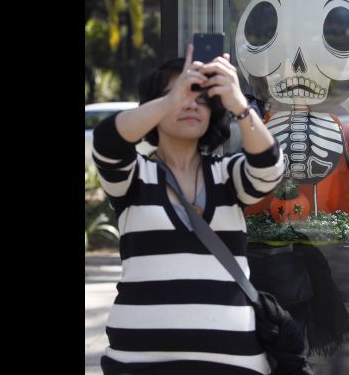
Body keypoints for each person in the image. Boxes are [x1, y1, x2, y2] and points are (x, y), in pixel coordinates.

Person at [93, 44, 285, 375]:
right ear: (155, 106)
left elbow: (269, 167)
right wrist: (172, 97)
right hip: (138, 364)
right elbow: (107, 143)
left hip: (233, 363)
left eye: (201, 97)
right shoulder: (134, 176)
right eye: (181, 93)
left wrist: (238, 103)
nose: (190, 102)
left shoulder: (227, 174)